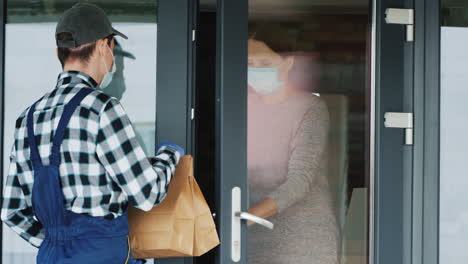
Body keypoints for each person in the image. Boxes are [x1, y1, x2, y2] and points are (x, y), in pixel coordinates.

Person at [0, 3, 184, 264]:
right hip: (101, 254)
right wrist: (170, 155)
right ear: (102, 46)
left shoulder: (27, 118)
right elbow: (146, 194)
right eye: (112, 48)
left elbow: (12, 211)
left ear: (59, 52)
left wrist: (60, 243)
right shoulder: (102, 109)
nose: (112, 59)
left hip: (52, 256)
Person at [246, 24, 340, 264]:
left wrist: (241, 218)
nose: (255, 71)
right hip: (251, 239)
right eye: (250, 64)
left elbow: (300, 180)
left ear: (287, 63)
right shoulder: (243, 108)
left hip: (302, 242)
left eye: (264, 64)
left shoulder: (309, 108)